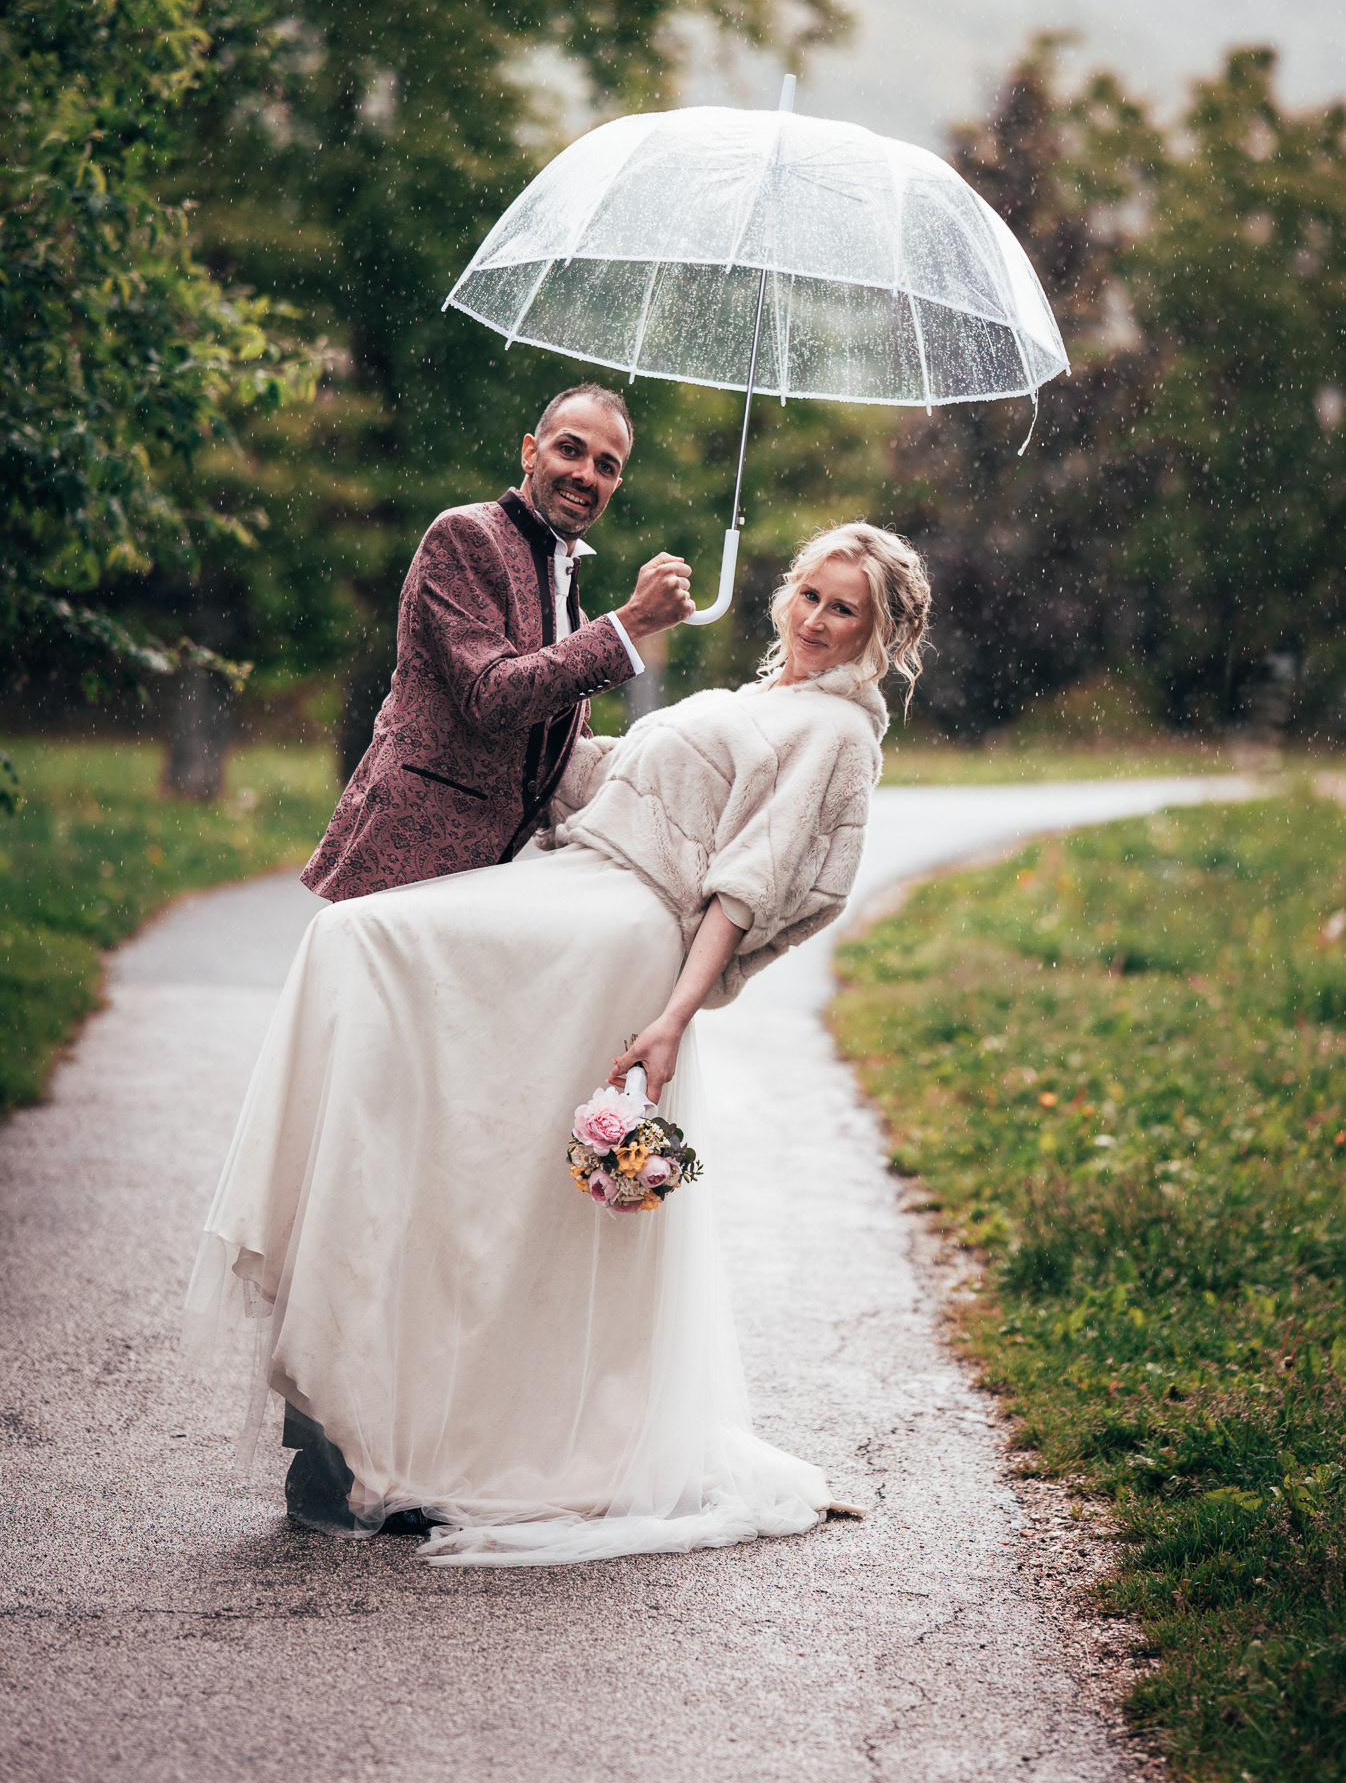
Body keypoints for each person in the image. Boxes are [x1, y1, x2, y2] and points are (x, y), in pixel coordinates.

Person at [185, 521, 931, 1566]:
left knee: (366, 942)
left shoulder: (838, 733)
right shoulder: (760, 699)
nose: (815, 618)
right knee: (466, 1128)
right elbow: (600, 779)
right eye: (808, 593)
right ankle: (390, 1385)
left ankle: (480, 1430)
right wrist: (514, 675)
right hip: (579, 881)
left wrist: (671, 1017)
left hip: (624, 928)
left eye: (843, 608)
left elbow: (746, 883)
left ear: (881, 632)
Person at [301, 381, 695, 902]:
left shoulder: (568, 597)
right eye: (570, 449)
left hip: (483, 881)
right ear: (530, 453)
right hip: (403, 860)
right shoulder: (464, 536)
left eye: (606, 465)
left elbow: (554, 748)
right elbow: (492, 696)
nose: (585, 474)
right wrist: (631, 622)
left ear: (615, 485)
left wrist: (676, 774)